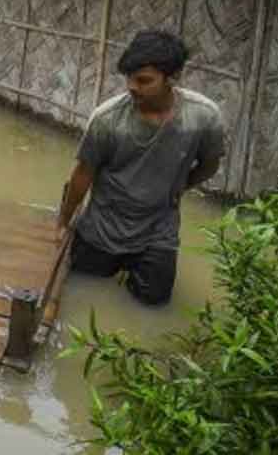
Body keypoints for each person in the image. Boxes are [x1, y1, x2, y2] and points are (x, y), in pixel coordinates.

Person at [57, 30, 225, 306]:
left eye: (144, 80)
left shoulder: (202, 117)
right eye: (129, 78)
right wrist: (62, 223)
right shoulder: (108, 119)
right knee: (81, 290)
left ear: (172, 78)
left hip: (159, 229)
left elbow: (210, 164)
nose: (132, 87)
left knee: (153, 303)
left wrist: (178, 188)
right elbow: (82, 175)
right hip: (103, 225)